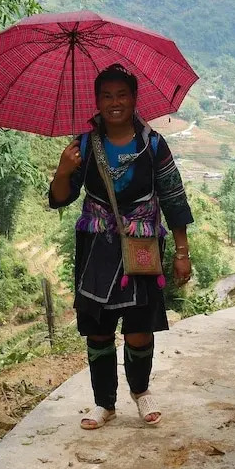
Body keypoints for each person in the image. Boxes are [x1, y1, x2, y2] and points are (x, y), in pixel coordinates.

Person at [49, 64, 194, 430]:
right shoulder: (84, 145)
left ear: (134, 99)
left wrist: (182, 252)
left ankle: (141, 391)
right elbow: (60, 198)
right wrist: (63, 170)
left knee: (139, 328)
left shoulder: (153, 145)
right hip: (97, 246)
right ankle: (104, 403)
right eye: (107, 96)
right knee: (98, 329)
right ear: (97, 102)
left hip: (142, 243)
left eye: (122, 95)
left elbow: (173, 198)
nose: (115, 103)